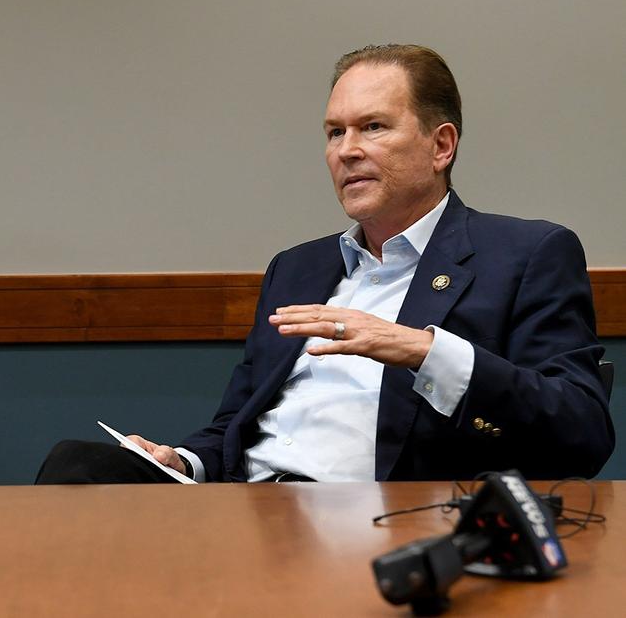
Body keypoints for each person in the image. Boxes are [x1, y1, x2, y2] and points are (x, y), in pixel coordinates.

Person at [37, 44, 613, 484]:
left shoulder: (525, 253)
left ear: (441, 146)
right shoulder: (298, 269)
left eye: (373, 127)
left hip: (380, 519)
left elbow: (581, 432)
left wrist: (421, 350)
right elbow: (235, 426)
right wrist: (184, 460)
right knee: (80, 467)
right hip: (248, 512)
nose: (346, 149)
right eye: (335, 131)